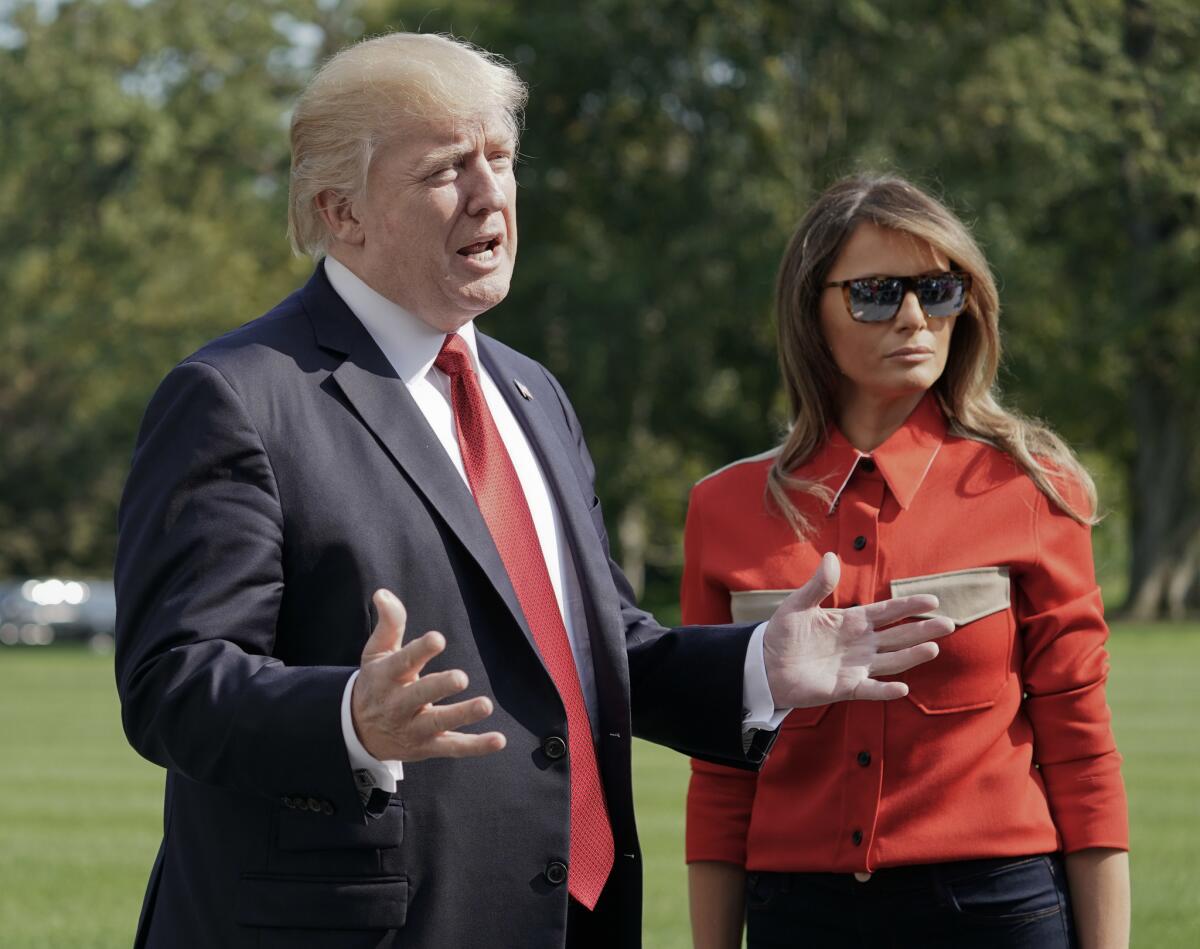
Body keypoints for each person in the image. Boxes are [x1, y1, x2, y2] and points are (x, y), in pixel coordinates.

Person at [113, 36, 953, 949]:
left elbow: (593, 652)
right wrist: (347, 717)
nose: (491, 195)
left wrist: (757, 667)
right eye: (446, 168)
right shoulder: (235, 396)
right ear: (339, 211)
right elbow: (173, 682)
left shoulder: (530, 392)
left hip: (570, 917)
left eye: (501, 159)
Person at [683, 174, 1131, 949]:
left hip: (999, 913)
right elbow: (722, 774)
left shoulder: (1032, 488)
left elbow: (1081, 747)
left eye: (938, 289)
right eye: (878, 292)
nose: (916, 319)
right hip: (798, 918)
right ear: (809, 310)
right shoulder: (722, 510)